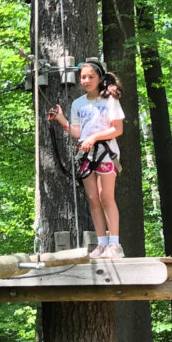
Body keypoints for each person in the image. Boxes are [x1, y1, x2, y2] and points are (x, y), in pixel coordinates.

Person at [47, 59, 125, 259]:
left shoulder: (110, 100)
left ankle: (115, 244)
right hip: (87, 156)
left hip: (106, 152)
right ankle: (101, 243)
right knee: (93, 200)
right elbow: (77, 132)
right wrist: (61, 118)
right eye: (83, 77)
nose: (87, 80)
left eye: (91, 77)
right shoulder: (78, 103)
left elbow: (117, 129)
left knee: (106, 196)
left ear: (100, 78)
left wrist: (93, 137)